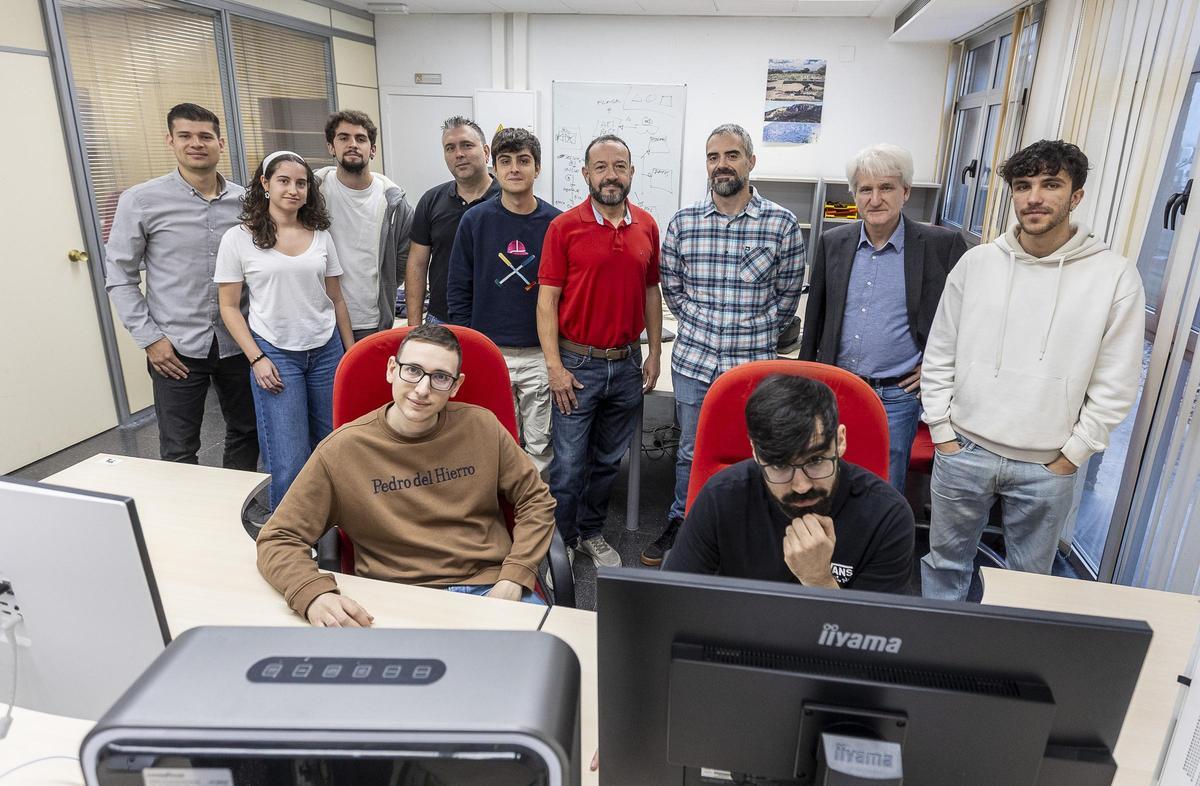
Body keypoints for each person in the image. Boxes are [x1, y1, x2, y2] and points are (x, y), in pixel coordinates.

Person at [920, 140, 1145, 601]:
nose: (1035, 197)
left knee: (1027, 585)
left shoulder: (1114, 277)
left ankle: (1007, 669)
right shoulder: (977, 263)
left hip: (1047, 464)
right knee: (944, 565)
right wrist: (942, 430)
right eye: (1023, 186)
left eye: (1051, 185)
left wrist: (1074, 453)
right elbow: (940, 349)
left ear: (1075, 196)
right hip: (965, 448)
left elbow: (1116, 380)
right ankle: (935, 660)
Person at [256, 325, 556, 626]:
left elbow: (536, 500)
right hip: (396, 599)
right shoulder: (342, 451)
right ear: (391, 369)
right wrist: (313, 593)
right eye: (412, 370)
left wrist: (516, 576)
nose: (423, 389)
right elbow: (279, 538)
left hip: (489, 587)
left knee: (548, 666)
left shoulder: (482, 427)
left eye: (440, 377)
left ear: (455, 386)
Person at [644, 122, 806, 567]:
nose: (722, 165)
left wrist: (755, 330)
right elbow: (672, 290)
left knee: (755, 452)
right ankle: (685, 521)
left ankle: (744, 532)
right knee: (691, 450)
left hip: (752, 365)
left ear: (750, 162)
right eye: (714, 157)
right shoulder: (685, 223)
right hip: (695, 361)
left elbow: (788, 294)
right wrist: (701, 322)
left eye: (731, 155)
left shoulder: (781, 223)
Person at [800, 143, 968, 495]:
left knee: (884, 487)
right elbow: (816, 317)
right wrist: (808, 381)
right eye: (866, 189)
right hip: (837, 388)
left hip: (897, 395)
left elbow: (969, 318)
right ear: (854, 195)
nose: (875, 199)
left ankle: (876, 550)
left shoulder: (942, 244)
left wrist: (938, 367)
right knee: (824, 477)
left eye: (886, 188)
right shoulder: (834, 242)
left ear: (905, 192)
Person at [104, 103, 257, 471]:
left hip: (238, 340)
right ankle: (185, 523)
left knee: (247, 431)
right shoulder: (140, 201)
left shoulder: (248, 202)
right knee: (178, 447)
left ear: (221, 143)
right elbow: (119, 277)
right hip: (175, 346)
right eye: (186, 136)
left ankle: (233, 509)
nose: (196, 144)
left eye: (205, 136)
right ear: (170, 140)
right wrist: (150, 339)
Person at [664, 374, 914, 593]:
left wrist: (819, 580)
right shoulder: (722, 497)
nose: (802, 485)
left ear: (840, 440)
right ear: (755, 452)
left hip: (826, 647)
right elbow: (673, 603)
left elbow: (874, 639)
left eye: (815, 460)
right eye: (780, 466)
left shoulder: (887, 515)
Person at [537, 134, 663, 567]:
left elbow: (651, 291)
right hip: (577, 365)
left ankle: (590, 533)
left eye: (620, 166)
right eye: (602, 167)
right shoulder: (564, 227)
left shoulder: (646, 224)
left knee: (609, 462)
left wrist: (654, 353)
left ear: (631, 173)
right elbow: (547, 301)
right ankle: (561, 545)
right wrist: (554, 366)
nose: (611, 175)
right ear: (586, 173)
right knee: (569, 466)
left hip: (626, 363)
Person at [215, 151, 354, 510]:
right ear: (264, 184)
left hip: (326, 350)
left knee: (333, 446)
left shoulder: (321, 235)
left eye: (301, 183)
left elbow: (336, 299)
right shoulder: (238, 239)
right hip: (274, 353)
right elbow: (229, 307)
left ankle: (333, 531)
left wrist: (350, 353)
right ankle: (289, 541)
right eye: (284, 181)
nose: (293, 189)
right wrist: (257, 358)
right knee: (289, 457)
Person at [447, 127, 561, 473]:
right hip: (490, 350)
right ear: (494, 166)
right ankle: (499, 515)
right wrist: (467, 347)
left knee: (540, 442)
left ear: (537, 168)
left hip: (538, 352)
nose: (514, 169)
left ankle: (536, 517)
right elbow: (458, 289)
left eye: (523, 161)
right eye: (505, 161)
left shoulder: (556, 224)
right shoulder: (475, 220)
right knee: (496, 439)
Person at [316, 110, 414, 343]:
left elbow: (403, 259)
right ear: (331, 147)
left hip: (372, 321)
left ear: (372, 149)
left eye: (360, 139)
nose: (352, 144)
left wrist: (386, 287)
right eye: (343, 138)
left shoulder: (394, 202)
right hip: (321, 321)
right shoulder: (313, 194)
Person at [405, 116, 500, 325]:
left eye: (467, 145)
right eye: (450, 148)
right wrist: (413, 327)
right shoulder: (431, 201)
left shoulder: (507, 200)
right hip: (441, 320)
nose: (459, 154)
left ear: (486, 152)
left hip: (495, 322)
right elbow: (417, 264)